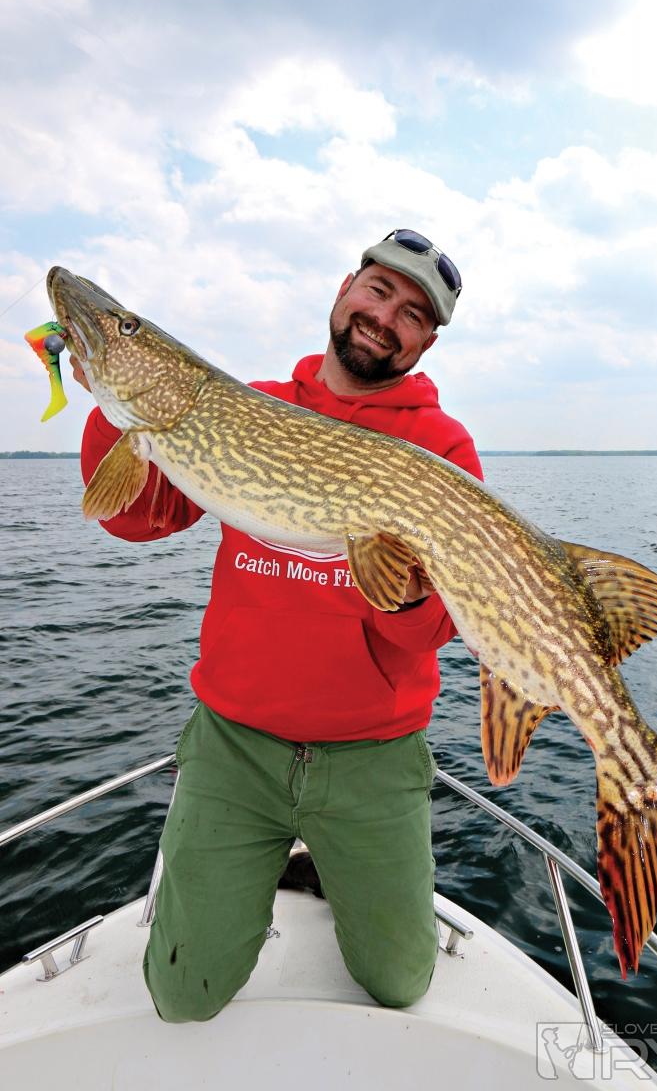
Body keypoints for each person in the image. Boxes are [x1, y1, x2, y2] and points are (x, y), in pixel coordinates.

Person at [73, 229, 482, 1022]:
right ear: (344, 290)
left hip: (371, 757)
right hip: (235, 748)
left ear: (426, 342)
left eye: (411, 313)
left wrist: (402, 591)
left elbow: (426, 634)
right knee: (181, 998)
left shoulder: (439, 446)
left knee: (399, 984)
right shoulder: (244, 405)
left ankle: (326, 864)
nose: (384, 317)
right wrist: (110, 405)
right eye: (377, 290)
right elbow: (135, 519)